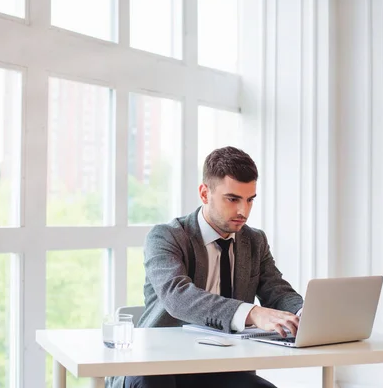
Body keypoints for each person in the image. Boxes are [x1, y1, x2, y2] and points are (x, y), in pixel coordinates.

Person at [109, 146, 303, 388]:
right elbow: (178, 297)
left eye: (249, 200)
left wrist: (304, 314)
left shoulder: (254, 241)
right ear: (204, 193)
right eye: (232, 199)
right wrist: (252, 313)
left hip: (222, 366)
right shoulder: (167, 237)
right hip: (158, 365)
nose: (243, 211)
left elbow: (277, 292)